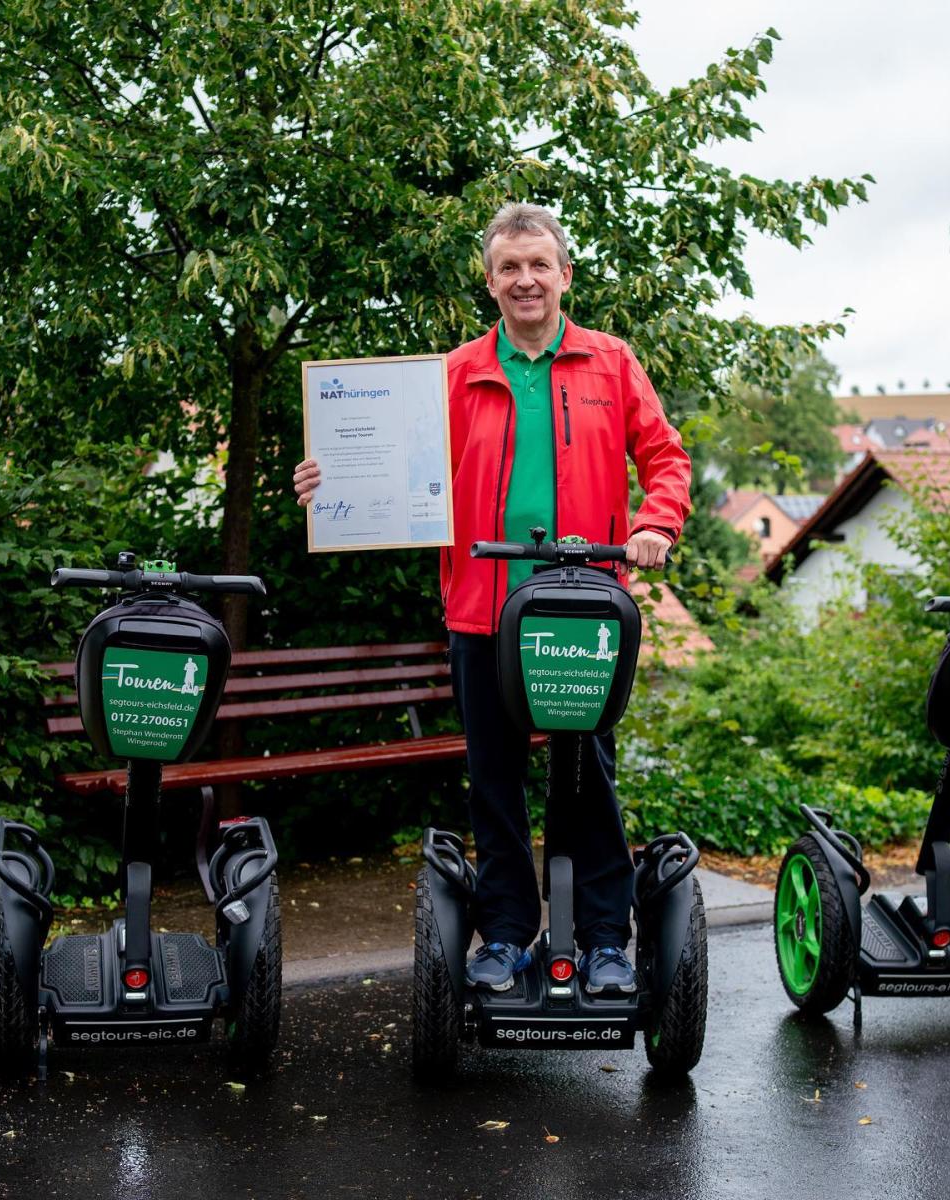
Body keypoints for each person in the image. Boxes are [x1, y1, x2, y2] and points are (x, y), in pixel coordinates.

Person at [294, 202, 690, 993]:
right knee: (495, 779)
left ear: (564, 275)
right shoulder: (452, 374)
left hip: (582, 610)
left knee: (591, 777)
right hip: (483, 612)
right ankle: (507, 933)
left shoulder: (611, 362)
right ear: (490, 282)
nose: (526, 280)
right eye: (509, 268)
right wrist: (332, 484)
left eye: (539, 265)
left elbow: (666, 456)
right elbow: (393, 470)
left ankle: (608, 939)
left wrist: (657, 523)